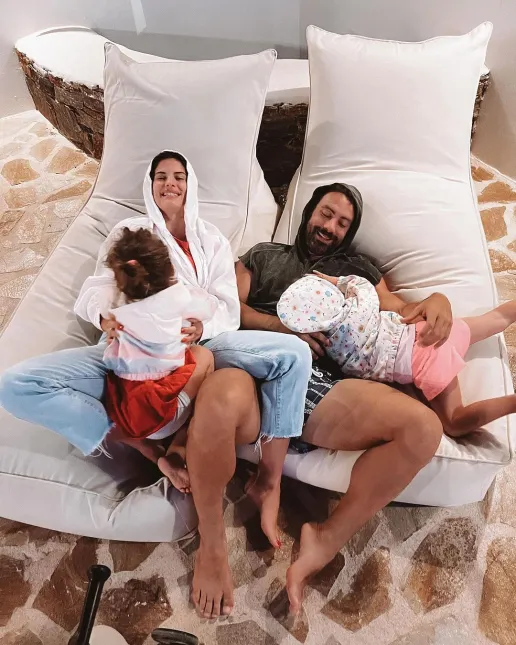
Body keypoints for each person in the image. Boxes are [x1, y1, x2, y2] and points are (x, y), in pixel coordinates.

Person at [186, 182, 449, 619]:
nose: (330, 226)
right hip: (252, 371)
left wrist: (437, 300)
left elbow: (398, 309)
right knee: (217, 398)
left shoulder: (357, 268)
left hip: (318, 387)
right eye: (326, 213)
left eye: (343, 223)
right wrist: (280, 328)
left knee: (424, 429)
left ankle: (324, 540)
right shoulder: (265, 257)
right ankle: (211, 546)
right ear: (309, 211)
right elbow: (225, 307)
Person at [0, 150, 310, 488]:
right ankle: (141, 444)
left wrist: (202, 327)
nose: (169, 183)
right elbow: (98, 287)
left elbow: (226, 306)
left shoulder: (213, 240)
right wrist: (106, 320)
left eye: (178, 177)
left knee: (294, 352)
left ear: (190, 185)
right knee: (15, 385)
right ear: (150, 185)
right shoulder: (130, 231)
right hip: (129, 347)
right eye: (161, 176)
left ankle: (268, 480)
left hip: (203, 342)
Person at [279, 271, 516, 436]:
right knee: (496, 318)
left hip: (425, 361)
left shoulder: (334, 346)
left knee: (454, 422)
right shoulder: (361, 303)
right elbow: (360, 283)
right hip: (428, 328)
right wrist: (336, 281)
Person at [101, 226, 216, 493]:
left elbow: (101, 299)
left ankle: (147, 449)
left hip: (124, 411)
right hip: (163, 412)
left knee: (106, 395)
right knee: (205, 357)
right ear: (170, 268)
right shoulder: (180, 297)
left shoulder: (114, 306)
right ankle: (179, 444)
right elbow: (208, 306)